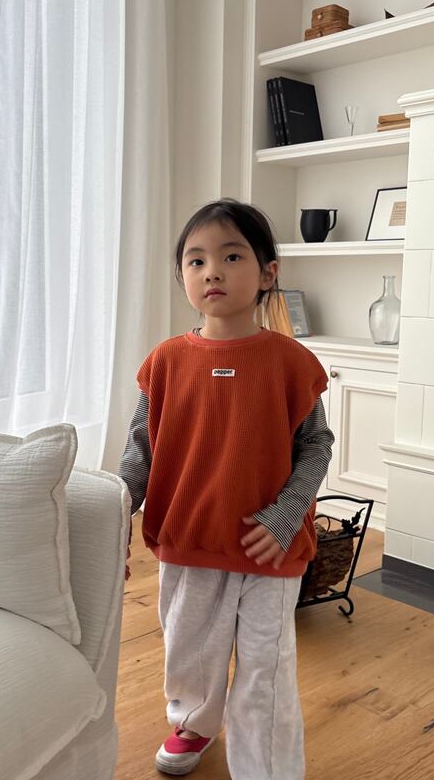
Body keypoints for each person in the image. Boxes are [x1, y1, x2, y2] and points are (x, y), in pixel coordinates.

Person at [118, 198, 335, 779]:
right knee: (190, 654)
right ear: (183, 276)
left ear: (268, 273)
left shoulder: (291, 362)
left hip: (271, 548)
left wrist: (285, 515)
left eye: (231, 256)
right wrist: (113, 520)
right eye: (196, 261)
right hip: (189, 540)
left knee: (268, 669)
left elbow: (316, 447)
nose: (212, 270)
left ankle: (267, 767)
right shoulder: (165, 362)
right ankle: (193, 723)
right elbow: (141, 450)